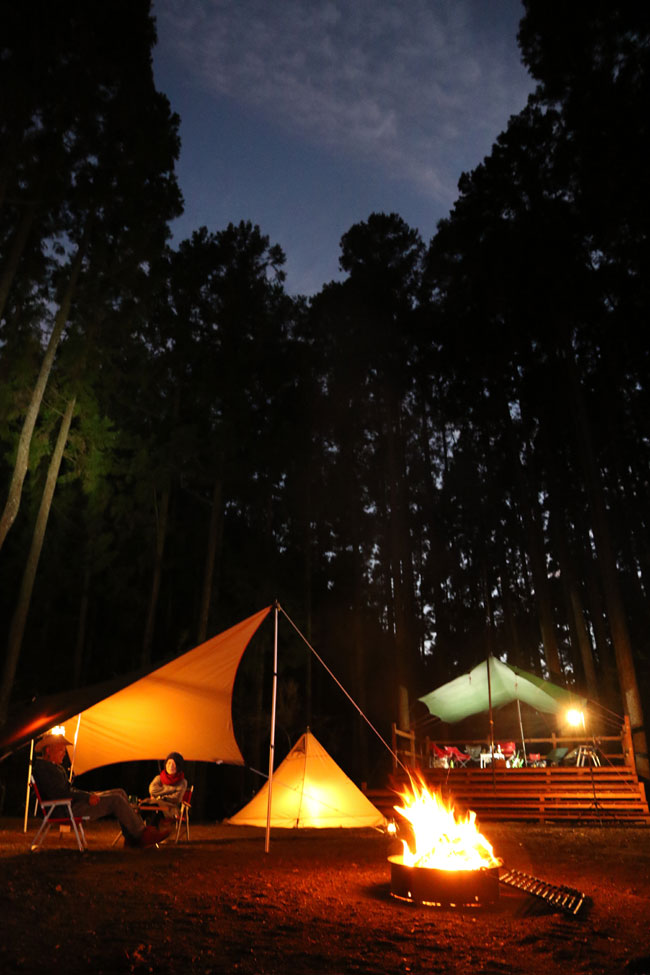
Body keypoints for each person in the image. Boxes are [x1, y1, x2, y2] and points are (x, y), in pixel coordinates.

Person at [32, 732, 170, 848]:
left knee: (119, 792)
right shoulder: (44, 768)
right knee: (115, 800)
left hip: (70, 803)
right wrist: (87, 797)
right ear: (48, 750)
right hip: (65, 809)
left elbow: (66, 790)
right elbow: (59, 793)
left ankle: (132, 838)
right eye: (61, 749)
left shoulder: (54, 768)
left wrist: (89, 795)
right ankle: (141, 834)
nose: (64, 753)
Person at [146, 752, 188, 821]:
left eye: (174, 764)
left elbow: (176, 798)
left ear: (178, 766)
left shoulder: (182, 782)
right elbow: (152, 790)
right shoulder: (159, 778)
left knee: (156, 807)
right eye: (169, 763)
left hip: (171, 808)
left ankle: (154, 830)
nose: (171, 766)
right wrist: (171, 790)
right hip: (155, 804)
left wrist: (160, 797)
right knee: (144, 804)